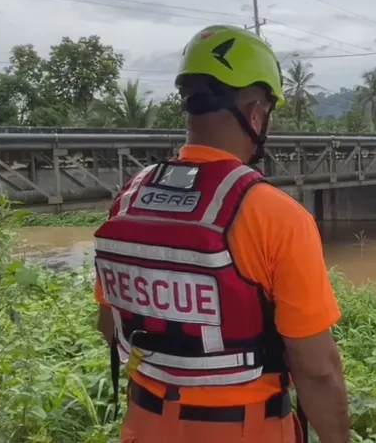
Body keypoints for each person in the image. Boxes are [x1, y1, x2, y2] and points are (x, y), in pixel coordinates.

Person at [93, 24, 351, 443]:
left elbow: (110, 325)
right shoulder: (275, 214)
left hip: (143, 425)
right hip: (245, 430)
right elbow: (317, 370)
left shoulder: (130, 196)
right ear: (256, 112)